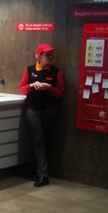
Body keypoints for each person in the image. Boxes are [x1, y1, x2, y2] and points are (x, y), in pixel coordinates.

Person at [19, 43, 65, 187]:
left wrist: (49, 88)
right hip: (33, 110)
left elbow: (60, 93)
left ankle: (39, 172)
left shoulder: (56, 72)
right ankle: (43, 174)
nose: (50, 57)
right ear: (39, 56)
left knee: (46, 140)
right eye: (47, 55)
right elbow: (22, 89)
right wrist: (31, 86)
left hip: (49, 110)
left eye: (51, 54)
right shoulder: (29, 70)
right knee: (37, 139)